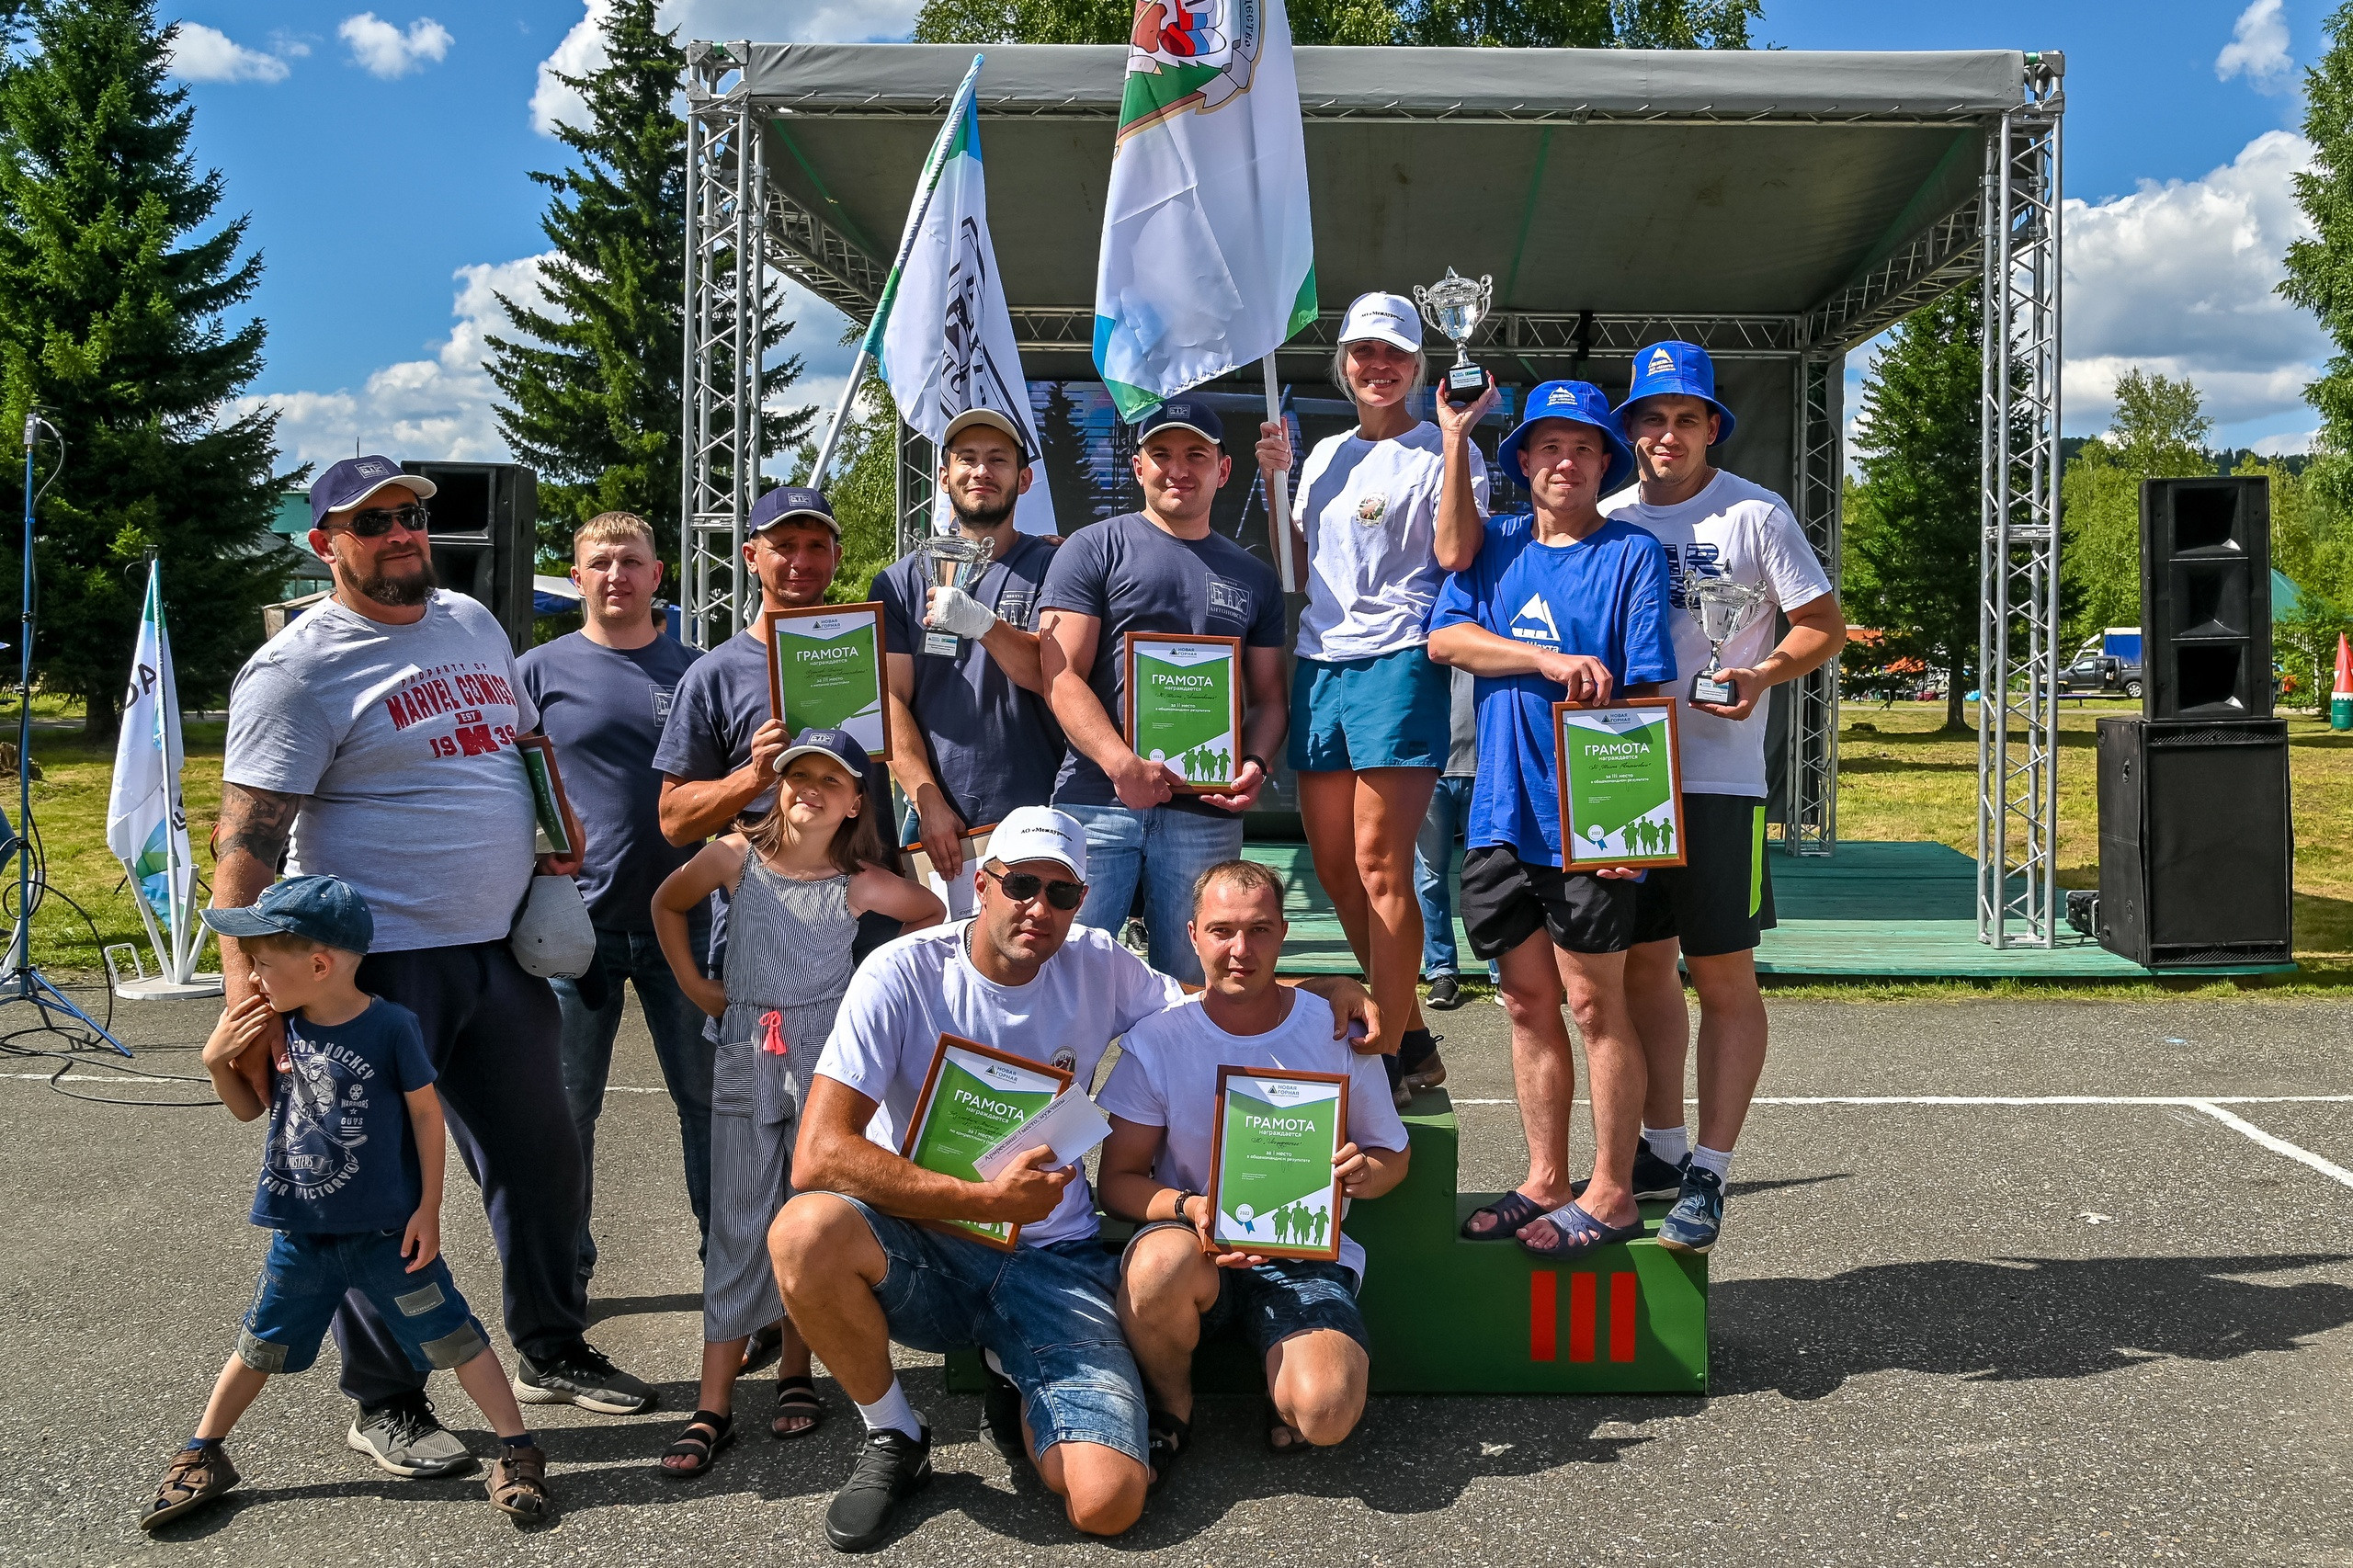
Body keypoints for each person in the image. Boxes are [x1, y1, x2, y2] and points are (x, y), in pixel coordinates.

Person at [767, 807, 1374, 1551]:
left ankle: (1016, 1368)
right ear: (982, 886)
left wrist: (1323, 988)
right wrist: (981, 1200)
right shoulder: (902, 972)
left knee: (1107, 1504)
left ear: (1082, 900)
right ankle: (894, 1433)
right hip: (927, 1247)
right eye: (1020, 885)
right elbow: (819, 1155)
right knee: (806, 1229)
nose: (1038, 908)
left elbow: (1215, 998)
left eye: (1060, 893)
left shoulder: (1099, 962)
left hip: (1053, 1258)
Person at [213, 456, 649, 1482]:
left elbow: (522, 739)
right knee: (379, 1188)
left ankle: (550, 1345)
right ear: (325, 543)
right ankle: (387, 1400)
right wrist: (251, 998)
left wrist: (555, 822)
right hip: (369, 972)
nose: (402, 532)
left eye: (410, 514)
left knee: (542, 1161)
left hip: (496, 950)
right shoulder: (296, 670)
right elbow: (246, 844)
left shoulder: (470, 621)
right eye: (372, 522)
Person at [142, 875, 553, 1532]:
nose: (251, 978)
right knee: (258, 1345)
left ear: (319, 965)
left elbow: (427, 1116)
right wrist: (217, 1062)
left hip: (389, 1237)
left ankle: (517, 1450)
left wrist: (428, 1209)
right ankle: (203, 1451)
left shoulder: (391, 1027)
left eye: (262, 963)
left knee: (456, 1340)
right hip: (300, 1238)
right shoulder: (276, 1027)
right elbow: (249, 1110)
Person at [1423, 383, 1677, 1261]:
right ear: (1523, 460)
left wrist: (1629, 828)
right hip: (1501, 811)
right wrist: (1548, 658)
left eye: (1582, 447)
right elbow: (1446, 641)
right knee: (1528, 1005)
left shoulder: (1631, 555)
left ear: (1606, 462)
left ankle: (1612, 1191)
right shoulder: (1490, 546)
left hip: (1589, 818)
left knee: (1595, 1005)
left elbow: (1644, 691)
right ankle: (1544, 1180)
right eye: (1549, 447)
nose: (1565, 462)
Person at [1602, 343, 1844, 1253]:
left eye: (1685, 418)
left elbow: (1821, 624)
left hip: (1718, 779)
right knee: (1641, 969)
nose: (1668, 434)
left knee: (1722, 975)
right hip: (1624, 774)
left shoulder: (1754, 512)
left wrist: (1760, 673)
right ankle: (1661, 1147)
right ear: (1631, 430)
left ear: (1712, 427)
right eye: (1652, 418)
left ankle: (1710, 1167)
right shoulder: (1607, 517)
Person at [648, 729, 943, 1473]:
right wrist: (695, 986)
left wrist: (869, 994)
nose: (809, 788)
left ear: (855, 804)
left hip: (824, 1058)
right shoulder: (735, 857)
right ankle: (712, 1404)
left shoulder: (860, 882)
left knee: (804, 1205)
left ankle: (795, 1371)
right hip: (748, 1050)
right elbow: (666, 903)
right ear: (777, 786)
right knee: (737, 1217)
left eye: (829, 779)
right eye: (797, 775)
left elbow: (929, 913)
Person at [1098, 860, 1409, 1475]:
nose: (1241, 949)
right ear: (1193, 935)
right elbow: (1117, 1182)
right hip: (1196, 1251)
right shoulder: (1158, 1040)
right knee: (1156, 1266)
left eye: (1260, 930)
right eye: (1222, 930)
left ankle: (1285, 1384)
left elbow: (1392, 1154)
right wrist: (1191, 1208)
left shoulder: (1333, 1030)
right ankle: (1173, 1407)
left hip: (1303, 1258)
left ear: (1283, 933)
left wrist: (1365, 1173)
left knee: (1326, 1414)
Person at [1254, 291, 1487, 1080]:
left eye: (1395, 354)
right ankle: (1412, 1038)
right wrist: (1276, 483)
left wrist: (1454, 439)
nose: (1378, 366)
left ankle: (1385, 1054)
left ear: (1419, 367)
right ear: (1344, 364)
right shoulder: (1323, 455)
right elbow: (1297, 569)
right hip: (1321, 661)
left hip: (1399, 660)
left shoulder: (1444, 447)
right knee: (1334, 872)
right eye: (1364, 352)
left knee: (1382, 866)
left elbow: (1457, 554)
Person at [516, 511, 710, 1287]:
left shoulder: (697, 671)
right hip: (574, 928)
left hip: (686, 925)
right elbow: (507, 785)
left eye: (631, 561)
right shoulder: (535, 673)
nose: (616, 575)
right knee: (565, 1114)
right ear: (576, 577)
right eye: (600, 563)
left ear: (657, 574)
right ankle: (564, 1281)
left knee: (709, 1109)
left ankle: (729, 1271)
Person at [1039, 400, 1288, 985]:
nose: (1178, 469)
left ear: (1223, 470)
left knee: (1194, 988)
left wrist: (1255, 761)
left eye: (1196, 455)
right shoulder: (1092, 548)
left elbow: (1270, 700)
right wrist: (1120, 764)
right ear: (1137, 466)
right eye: (1161, 454)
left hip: (1205, 813)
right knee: (1064, 981)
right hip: (1097, 801)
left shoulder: (1253, 575)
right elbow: (1059, 675)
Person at [652, 484, 901, 957]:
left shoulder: (871, 658)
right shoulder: (714, 675)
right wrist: (754, 777)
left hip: (869, 922)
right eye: (783, 546)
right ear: (750, 557)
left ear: (837, 556)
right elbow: (674, 821)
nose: (801, 561)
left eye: (816, 546)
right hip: (763, 931)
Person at [874, 406, 1063, 877]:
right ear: (944, 477)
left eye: (998, 459)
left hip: (1044, 810)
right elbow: (890, 699)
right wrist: (928, 800)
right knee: (934, 928)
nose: (981, 471)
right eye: (967, 458)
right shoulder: (899, 582)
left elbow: (1052, 676)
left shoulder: (1057, 566)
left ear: (1024, 479)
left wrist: (983, 624)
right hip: (937, 819)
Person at [1412, 665, 1492, 1013]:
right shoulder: (1421, 637)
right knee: (1429, 878)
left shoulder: (1493, 636)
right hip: (1429, 771)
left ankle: (1502, 971)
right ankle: (1442, 971)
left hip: (1485, 769)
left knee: (1491, 876)